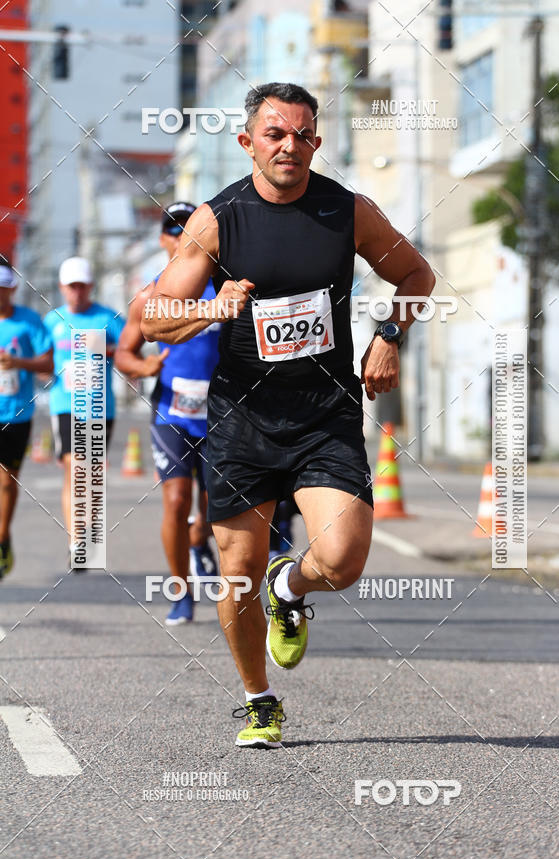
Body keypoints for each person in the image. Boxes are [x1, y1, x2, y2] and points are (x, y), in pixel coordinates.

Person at [141, 82, 435, 747]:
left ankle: (290, 586)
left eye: (302, 135)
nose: (289, 147)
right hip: (241, 420)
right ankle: (259, 701)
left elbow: (417, 276)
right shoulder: (218, 220)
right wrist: (213, 308)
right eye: (275, 134)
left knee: (343, 559)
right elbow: (154, 317)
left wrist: (389, 336)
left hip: (324, 415)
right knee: (236, 572)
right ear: (248, 142)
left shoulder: (347, 211)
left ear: (316, 142)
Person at [115, 202, 220, 626]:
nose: (180, 237)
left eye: (188, 229)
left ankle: (198, 541)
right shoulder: (151, 295)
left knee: (215, 509)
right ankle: (181, 592)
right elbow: (124, 352)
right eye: (173, 231)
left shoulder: (223, 288)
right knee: (176, 502)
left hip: (221, 416)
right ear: (162, 240)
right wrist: (143, 367)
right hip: (171, 413)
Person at [44, 256, 124, 567]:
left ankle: (88, 527)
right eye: (71, 286)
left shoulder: (109, 318)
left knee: (92, 473)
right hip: (65, 405)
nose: (77, 292)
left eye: (82, 286)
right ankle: (76, 540)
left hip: (101, 407)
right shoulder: (52, 321)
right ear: (62, 288)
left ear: (90, 286)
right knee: (75, 466)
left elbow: (129, 350)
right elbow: (41, 359)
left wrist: (106, 349)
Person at [0, 261, 53, 577]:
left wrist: (17, 362)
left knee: (7, 481)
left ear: (13, 288)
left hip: (16, 413)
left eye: (3, 288)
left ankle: (2, 538)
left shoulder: (29, 321)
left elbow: (48, 364)